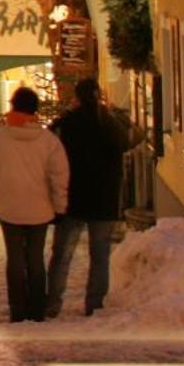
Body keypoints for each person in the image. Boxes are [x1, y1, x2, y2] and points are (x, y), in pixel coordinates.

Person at [0, 86, 69, 322]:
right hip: (40, 209)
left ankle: (17, 309)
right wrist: (60, 207)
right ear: (35, 111)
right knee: (36, 258)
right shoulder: (48, 140)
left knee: (15, 258)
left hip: (8, 208)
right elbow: (59, 176)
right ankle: (37, 308)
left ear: (13, 107)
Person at [46, 78, 125, 317]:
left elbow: (49, 137)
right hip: (104, 199)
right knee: (100, 256)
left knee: (62, 255)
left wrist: (66, 113)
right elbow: (126, 142)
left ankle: (52, 304)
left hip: (74, 198)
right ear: (98, 95)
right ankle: (95, 305)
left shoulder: (69, 122)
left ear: (78, 97)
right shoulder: (109, 123)